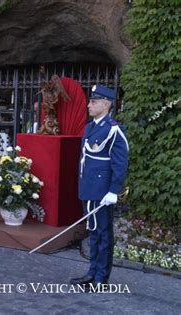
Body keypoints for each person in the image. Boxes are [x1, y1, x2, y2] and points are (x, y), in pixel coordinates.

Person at [70, 85, 129, 287]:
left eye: (93, 101)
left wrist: (114, 190)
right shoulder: (90, 127)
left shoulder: (113, 129)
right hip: (89, 187)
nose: (89, 105)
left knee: (103, 233)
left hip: (102, 191)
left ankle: (101, 277)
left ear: (106, 104)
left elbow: (119, 163)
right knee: (93, 231)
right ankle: (92, 272)